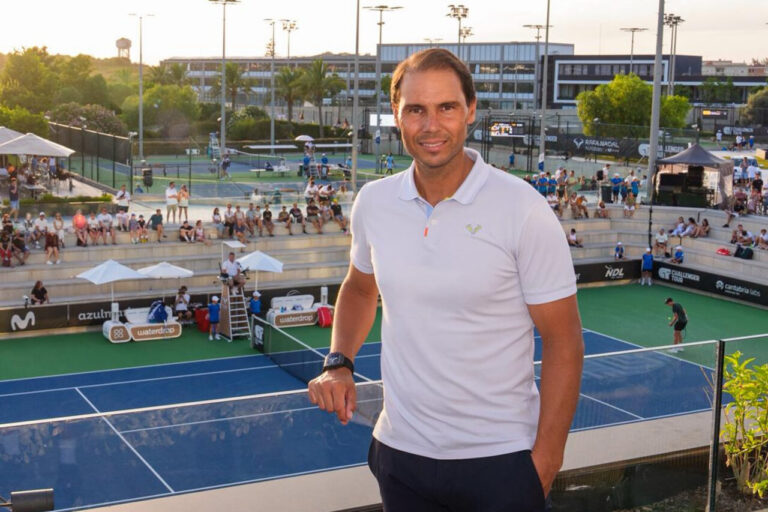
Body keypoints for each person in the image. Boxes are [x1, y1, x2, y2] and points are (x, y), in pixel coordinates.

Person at [307, 48, 583, 511]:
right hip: (401, 457)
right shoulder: (374, 202)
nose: (430, 125)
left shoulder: (522, 208)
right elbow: (359, 287)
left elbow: (564, 340)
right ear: (397, 115)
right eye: (415, 109)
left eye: (446, 107)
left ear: (470, 111)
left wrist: (545, 463)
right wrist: (339, 360)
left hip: (501, 462)